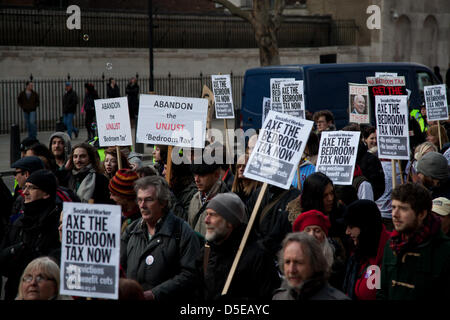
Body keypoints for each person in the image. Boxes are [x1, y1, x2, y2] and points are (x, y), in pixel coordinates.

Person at [120, 176, 201, 301]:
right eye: (140, 200)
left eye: (148, 200)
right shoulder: (131, 230)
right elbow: (119, 265)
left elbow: (190, 275)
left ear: (162, 202)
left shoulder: (182, 232)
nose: (142, 205)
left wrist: (154, 294)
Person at [196, 193, 280, 300]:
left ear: (230, 222)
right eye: (207, 214)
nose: (206, 220)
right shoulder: (207, 251)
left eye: (213, 215)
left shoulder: (257, 256)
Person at [377, 183, 450, 300]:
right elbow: (381, 291)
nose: (395, 214)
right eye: (394, 207)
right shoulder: (391, 245)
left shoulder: (444, 250)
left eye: (403, 209)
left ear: (421, 214)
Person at [0, 169, 61, 300]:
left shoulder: (57, 225)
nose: (25, 192)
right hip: (15, 292)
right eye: (25, 187)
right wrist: (17, 249)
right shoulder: (18, 222)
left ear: (46, 193)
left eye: (31, 188)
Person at [273, 232, 349, 300]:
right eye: (287, 262)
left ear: (315, 264)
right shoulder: (279, 297)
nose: (292, 270)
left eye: (298, 262)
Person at [342, 200, 391, 300]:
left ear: (365, 227)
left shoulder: (390, 255)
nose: (347, 232)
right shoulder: (358, 253)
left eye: (351, 226)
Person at [292, 209, 346, 290]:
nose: (312, 235)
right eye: (307, 230)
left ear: (324, 235)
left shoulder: (336, 264)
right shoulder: (291, 260)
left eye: (317, 231)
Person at [188, 157, 229, 236]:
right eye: (195, 175)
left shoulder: (227, 202)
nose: (196, 179)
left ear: (216, 174)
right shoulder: (194, 199)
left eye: (202, 175)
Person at [10, 156, 45, 223]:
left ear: (26, 174)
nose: (15, 178)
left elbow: (13, 223)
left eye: (16, 174)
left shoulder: (23, 199)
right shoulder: (19, 196)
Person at [109, 169, 140, 234]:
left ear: (126, 197)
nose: (110, 197)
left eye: (114, 194)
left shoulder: (139, 223)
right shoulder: (117, 216)